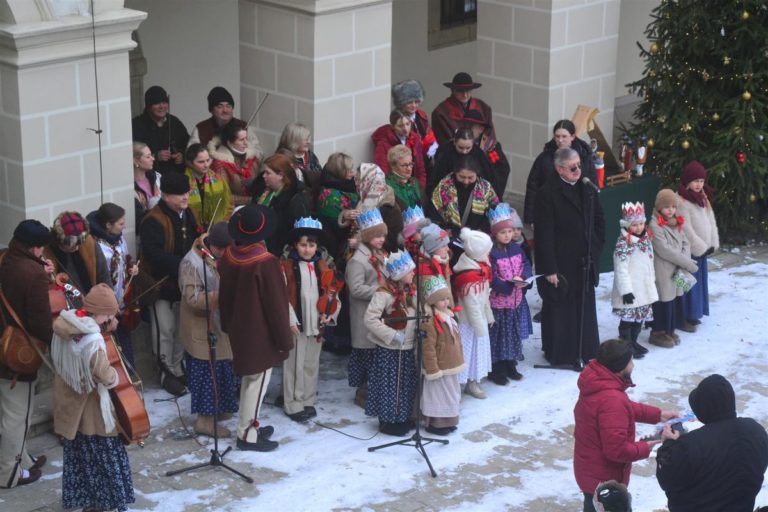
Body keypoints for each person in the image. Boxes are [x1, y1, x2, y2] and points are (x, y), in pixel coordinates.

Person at [51, 283, 134, 512]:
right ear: (104, 313)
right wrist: (117, 378)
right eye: (110, 314)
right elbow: (103, 375)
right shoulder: (92, 338)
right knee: (103, 456)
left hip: (71, 402)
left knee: (82, 457)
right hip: (91, 409)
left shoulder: (69, 323)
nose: (112, 318)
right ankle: (105, 502)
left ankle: (87, 500)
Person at [218, 204, 294, 452]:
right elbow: (276, 304)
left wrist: (226, 323)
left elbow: (224, 295)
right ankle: (247, 434)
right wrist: (284, 339)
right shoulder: (265, 261)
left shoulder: (229, 255)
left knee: (250, 381)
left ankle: (249, 425)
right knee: (257, 382)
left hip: (238, 326)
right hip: (259, 331)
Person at [573, 339, 679, 511]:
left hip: (589, 472)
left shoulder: (597, 383)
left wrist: (658, 415)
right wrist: (646, 446)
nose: (633, 365)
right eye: (630, 361)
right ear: (620, 366)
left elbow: (623, 408)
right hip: (605, 482)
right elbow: (616, 450)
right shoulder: (612, 399)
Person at [534, 147, 605, 366]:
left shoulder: (587, 188)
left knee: (584, 306)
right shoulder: (547, 193)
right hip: (562, 261)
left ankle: (586, 349)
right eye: (572, 167)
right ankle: (562, 353)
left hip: (585, 259)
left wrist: (595, 245)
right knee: (561, 309)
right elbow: (544, 234)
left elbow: (599, 219)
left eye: (579, 165)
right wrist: (550, 268)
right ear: (559, 169)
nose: (578, 170)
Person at [656, 374, 768, 512]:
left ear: (702, 409)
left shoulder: (690, 445)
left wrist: (668, 445)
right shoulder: (756, 431)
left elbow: (668, 480)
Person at [0, 220, 54, 488]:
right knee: (17, 414)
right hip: (16, 354)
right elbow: (41, 322)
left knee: (13, 410)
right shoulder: (33, 273)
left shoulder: (4, 257)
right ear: (34, 248)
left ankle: (21, 459)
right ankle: (8, 473)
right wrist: (54, 343)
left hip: (4, 343)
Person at [139, 172, 198, 396]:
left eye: (186, 192)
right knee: (164, 330)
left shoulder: (189, 213)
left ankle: (177, 367)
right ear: (165, 196)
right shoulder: (153, 220)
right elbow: (153, 254)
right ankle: (165, 372)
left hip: (184, 284)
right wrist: (184, 265)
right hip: (161, 285)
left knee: (181, 329)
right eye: (179, 194)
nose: (185, 197)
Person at [178, 222, 238, 437]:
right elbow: (193, 299)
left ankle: (218, 410)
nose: (223, 253)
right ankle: (204, 422)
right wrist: (225, 294)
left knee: (221, 370)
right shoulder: (192, 262)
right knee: (208, 376)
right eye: (220, 249)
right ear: (211, 244)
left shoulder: (223, 255)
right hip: (202, 329)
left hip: (220, 326)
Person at [280, 217, 339, 423]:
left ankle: (307, 399)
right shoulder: (287, 267)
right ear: (295, 245)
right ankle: (292, 403)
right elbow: (281, 296)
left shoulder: (323, 267)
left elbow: (333, 294)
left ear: (317, 247)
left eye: (311, 245)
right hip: (297, 323)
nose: (307, 249)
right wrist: (290, 319)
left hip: (316, 323)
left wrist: (330, 313)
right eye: (303, 245)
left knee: (311, 364)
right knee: (294, 364)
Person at [363, 250, 419, 436]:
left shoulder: (410, 291)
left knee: (404, 384)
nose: (413, 273)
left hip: (407, 347)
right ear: (400, 274)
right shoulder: (384, 294)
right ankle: (388, 421)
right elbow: (370, 319)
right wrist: (392, 335)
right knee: (390, 386)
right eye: (410, 271)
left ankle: (402, 416)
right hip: (390, 348)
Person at [86, 203, 139, 366]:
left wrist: (132, 267)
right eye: (121, 223)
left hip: (122, 300)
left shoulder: (120, 238)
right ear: (108, 225)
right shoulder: (96, 245)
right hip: (106, 304)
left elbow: (126, 259)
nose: (124, 226)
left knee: (124, 339)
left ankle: (129, 372)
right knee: (109, 344)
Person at [345, 208, 388, 408]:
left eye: (383, 236)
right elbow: (355, 289)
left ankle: (372, 392)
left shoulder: (378, 255)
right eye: (378, 236)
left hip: (377, 314)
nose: (382, 239)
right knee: (366, 356)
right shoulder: (357, 260)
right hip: (363, 315)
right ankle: (363, 394)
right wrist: (381, 290)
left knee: (374, 356)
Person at [487, 204, 532, 384]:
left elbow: (526, 265)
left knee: (512, 335)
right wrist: (507, 287)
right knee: (498, 336)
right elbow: (491, 277)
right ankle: (496, 368)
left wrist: (524, 278)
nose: (507, 235)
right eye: (503, 232)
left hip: (515, 302)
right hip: (499, 303)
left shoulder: (517, 249)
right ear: (495, 234)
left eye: (510, 231)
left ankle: (510, 364)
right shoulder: (492, 253)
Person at [648, 189, 698, 348]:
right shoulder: (654, 224)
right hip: (663, 270)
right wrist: (686, 262)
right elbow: (664, 249)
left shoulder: (675, 222)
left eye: (673, 207)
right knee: (663, 301)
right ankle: (658, 332)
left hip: (677, 267)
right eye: (666, 207)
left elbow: (685, 242)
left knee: (674, 300)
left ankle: (670, 329)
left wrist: (684, 259)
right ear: (659, 207)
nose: (671, 210)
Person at [524, 119, 597, 226]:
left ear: (572, 136)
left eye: (564, 136)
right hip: (550, 211)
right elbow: (533, 187)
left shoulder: (584, 157)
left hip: (577, 212)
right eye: (557, 136)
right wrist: (531, 217)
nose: (560, 140)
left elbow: (592, 184)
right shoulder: (544, 158)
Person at [676, 161, 719, 333]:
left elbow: (710, 220)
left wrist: (712, 242)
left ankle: (696, 312)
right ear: (687, 181)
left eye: (701, 181)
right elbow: (686, 229)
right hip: (689, 252)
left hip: (703, 251)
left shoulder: (703, 198)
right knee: (687, 283)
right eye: (695, 181)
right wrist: (699, 246)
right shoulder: (681, 201)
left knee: (699, 282)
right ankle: (684, 315)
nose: (699, 185)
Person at [610, 202, 656, 359]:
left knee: (639, 318)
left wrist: (651, 281)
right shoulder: (624, 243)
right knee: (628, 320)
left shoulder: (645, 240)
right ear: (627, 225)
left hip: (643, 288)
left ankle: (634, 342)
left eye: (641, 223)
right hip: (631, 289)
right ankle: (626, 345)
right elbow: (620, 268)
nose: (638, 227)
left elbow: (649, 262)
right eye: (634, 225)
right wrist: (626, 291)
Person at [419, 275, 464, 436]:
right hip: (439, 367)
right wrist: (432, 369)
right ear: (432, 301)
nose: (446, 302)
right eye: (441, 299)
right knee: (437, 396)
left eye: (447, 298)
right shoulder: (429, 322)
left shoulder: (449, 315)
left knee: (451, 394)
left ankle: (449, 421)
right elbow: (428, 348)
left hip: (450, 364)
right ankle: (435, 424)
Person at [452, 228, 494, 399]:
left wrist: (489, 316)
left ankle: (473, 381)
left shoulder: (481, 269)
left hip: (479, 321)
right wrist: (480, 328)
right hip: (469, 324)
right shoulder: (469, 278)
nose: (489, 254)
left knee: (477, 355)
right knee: (467, 355)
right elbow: (472, 307)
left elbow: (485, 297)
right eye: (487, 251)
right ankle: (457, 386)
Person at [254, 153, 311, 256]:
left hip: (281, 252)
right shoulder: (265, 192)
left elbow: (300, 233)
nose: (263, 176)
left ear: (281, 175)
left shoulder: (297, 199)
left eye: (268, 173)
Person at [431, 154, 499, 238]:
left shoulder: (486, 188)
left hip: (476, 237)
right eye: (462, 177)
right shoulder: (443, 187)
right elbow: (434, 212)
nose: (466, 181)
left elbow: (494, 212)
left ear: (477, 174)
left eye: (470, 177)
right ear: (455, 172)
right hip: (449, 238)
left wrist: (482, 230)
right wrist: (443, 230)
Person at [44, 211, 111, 295]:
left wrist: (110, 298)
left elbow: (104, 276)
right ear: (60, 241)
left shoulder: (88, 243)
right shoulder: (47, 253)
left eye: (79, 244)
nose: (77, 248)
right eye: (72, 246)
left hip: (92, 299)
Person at [131, 85, 189, 174]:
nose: (162, 106)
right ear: (149, 106)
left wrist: (182, 155)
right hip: (149, 176)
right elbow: (133, 155)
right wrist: (155, 156)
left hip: (176, 174)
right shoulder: (137, 125)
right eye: (157, 103)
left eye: (164, 102)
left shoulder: (174, 122)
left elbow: (188, 145)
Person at [188, 86, 263, 153]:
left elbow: (258, 152)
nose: (225, 110)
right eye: (220, 107)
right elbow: (190, 155)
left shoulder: (243, 126)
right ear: (211, 110)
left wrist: (245, 154)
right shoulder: (201, 128)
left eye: (228, 106)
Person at [427, 127, 493, 199]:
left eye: (468, 148)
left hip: (473, 196)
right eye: (461, 147)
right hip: (448, 195)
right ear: (454, 142)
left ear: (473, 144)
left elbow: (487, 178)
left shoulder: (478, 154)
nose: (464, 151)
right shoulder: (446, 153)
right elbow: (436, 177)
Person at [431, 72, 494, 147]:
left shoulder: (483, 108)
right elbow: (445, 141)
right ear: (452, 90)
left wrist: (481, 150)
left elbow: (490, 135)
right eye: (460, 91)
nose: (465, 95)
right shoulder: (441, 112)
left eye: (468, 90)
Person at [316, 152, 359, 259]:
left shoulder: (348, 184)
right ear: (339, 172)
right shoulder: (329, 195)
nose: (352, 172)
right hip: (336, 242)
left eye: (352, 168)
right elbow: (332, 223)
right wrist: (345, 216)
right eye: (348, 170)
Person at [209, 121, 262, 207]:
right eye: (241, 140)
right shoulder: (219, 165)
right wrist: (251, 200)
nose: (246, 143)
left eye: (246, 138)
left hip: (254, 205)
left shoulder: (251, 158)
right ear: (229, 142)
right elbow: (222, 197)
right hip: (232, 209)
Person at [371, 110, 427, 190]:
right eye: (400, 126)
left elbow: (420, 167)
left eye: (407, 124)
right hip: (396, 188)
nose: (405, 129)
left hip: (414, 187)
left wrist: (420, 188)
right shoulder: (383, 144)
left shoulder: (415, 138)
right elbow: (383, 173)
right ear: (393, 127)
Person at [462, 109, 510, 199]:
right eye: (465, 125)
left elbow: (502, 171)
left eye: (470, 126)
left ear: (481, 129)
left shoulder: (491, 147)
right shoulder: (456, 144)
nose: (466, 129)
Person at [184, 143, 233, 229]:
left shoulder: (218, 179)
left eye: (208, 160)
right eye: (201, 162)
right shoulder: (183, 182)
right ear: (190, 163)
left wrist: (220, 225)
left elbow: (228, 203)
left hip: (214, 228)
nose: (206, 165)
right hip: (190, 228)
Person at [356, 163, 403, 254]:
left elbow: (392, 241)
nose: (357, 183)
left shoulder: (389, 207)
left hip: (380, 256)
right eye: (356, 180)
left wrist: (361, 242)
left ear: (369, 181)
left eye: (360, 180)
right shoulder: (363, 199)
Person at [392, 79, 438, 162]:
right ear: (401, 103)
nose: (414, 105)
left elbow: (428, 133)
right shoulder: (397, 119)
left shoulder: (421, 115)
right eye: (409, 102)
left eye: (416, 102)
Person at [276, 122, 322, 192]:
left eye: (309, 138)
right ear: (294, 141)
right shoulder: (282, 159)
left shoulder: (310, 155)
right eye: (305, 139)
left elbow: (320, 174)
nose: (309, 142)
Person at [385, 144, 423, 209]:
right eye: (404, 165)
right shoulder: (388, 186)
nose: (409, 168)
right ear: (393, 166)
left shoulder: (415, 182)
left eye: (410, 164)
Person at [133, 141, 161, 229]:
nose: (153, 159)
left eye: (151, 155)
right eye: (148, 157)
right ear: (136, 161)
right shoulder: (131, 188)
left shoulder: (157, 177)